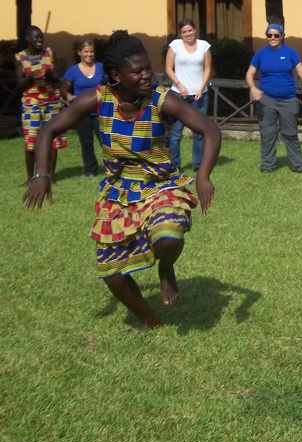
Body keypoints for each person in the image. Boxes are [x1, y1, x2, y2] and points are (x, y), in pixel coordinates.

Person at [22, 30, 221, 331]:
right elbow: (48, 129)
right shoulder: (98, 99)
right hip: (118, 192)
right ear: (116, 75)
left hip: (159, 185)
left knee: (168, 237)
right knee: (111, 273)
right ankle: (149, 320)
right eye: (137, 71)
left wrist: (203, 175)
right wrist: (41, 174)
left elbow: (210, 130)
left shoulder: (161, 99)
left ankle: (166, 269)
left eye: (148, 68)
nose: (146, 75)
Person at [245, 22, 302, 174]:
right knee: (268, 133)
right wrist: (253, 88)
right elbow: (249, 73)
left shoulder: (290, 52)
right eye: (269, 35)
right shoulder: (261, 54)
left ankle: (299, 166)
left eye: (276, 35)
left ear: (282, 36)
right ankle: (267, 166)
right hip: (266, 99)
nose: (273, 38)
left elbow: (301, 71)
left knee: (290, 133)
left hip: (288, 100)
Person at [15, 25, 66, 185]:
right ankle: (30, 177)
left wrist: (48, 73)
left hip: (52, 101)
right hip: (32, 103)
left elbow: (58, 78)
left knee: (53, 139)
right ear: (28, 39)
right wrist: (30, 76)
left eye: (41, 37)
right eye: (36, 37)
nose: (40, 40)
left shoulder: (49, 53)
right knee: (31, 141)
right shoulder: (20, 57)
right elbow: (20, 85)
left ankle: (50, 176)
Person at [165, 19, 212, 171]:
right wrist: (179, 85)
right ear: (181, 33)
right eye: (184, 32)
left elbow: (207, 69)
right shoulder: (175, 45)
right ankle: (175, 165)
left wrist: (201, 88)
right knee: (176, 133)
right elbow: (168, 68)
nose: (188, 34)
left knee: (199, 132)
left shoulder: (204, 46)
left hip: (200, 95)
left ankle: (198, 165)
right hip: (179, 95)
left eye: (190, 30)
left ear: (195, 30)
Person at [61, 40, 105, 178]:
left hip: (100, 110)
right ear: (79, 52)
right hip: (81, 112)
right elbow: (64, 88)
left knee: (105, 141)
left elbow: (110, 84)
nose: (89, 54)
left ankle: (112, 167)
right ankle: (90, 170)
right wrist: (69, 96)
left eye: (91, 51)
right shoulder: (73, 70)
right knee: (86, 143)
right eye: (86, 51)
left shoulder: (101, 67)